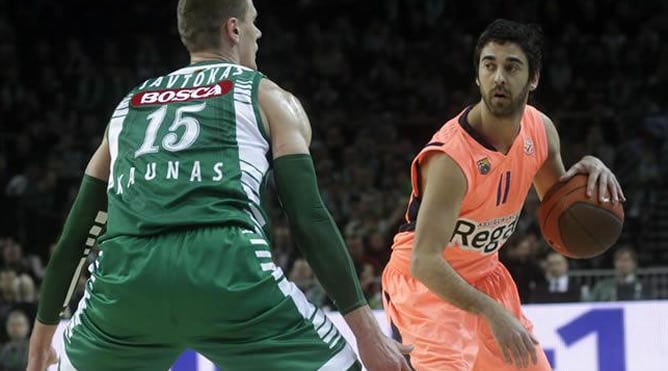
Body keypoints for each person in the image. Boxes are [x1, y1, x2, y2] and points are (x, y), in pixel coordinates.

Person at [27, 1, 411, 370]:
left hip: (127, 280)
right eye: (254, 21)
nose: (258, 33)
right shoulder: (268, 96)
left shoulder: (128, 106)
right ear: (234, 28)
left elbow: (76, 237)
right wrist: (368, 335)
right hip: (226, 268)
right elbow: (309, 218)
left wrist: (41, 346)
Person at [381, 19, 625, 371]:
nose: (499, 77)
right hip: (426, 287)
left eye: (512, 67)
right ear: (477, 76)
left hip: (485, 278)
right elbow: (425, 261)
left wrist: (590, 167)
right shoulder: (451, 158)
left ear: (533, 78)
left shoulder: (540, 131)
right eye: (489, 65)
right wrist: (491, 311)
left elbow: (561, 211)